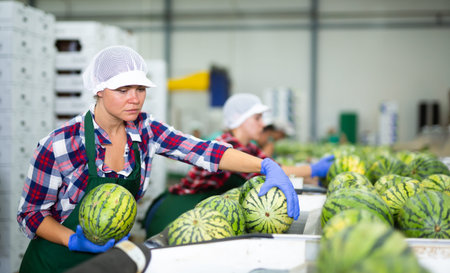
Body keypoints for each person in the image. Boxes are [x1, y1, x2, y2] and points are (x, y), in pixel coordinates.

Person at [16, 46, 302, 273]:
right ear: (99, 90)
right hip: (53, 264)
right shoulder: (60, 144)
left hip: (110, 263)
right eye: (123, 90)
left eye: (140, 89)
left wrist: (264, 165)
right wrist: (73, 240)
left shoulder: (146, 129)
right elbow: (30, 215)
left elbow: (204, 151)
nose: (135, 99)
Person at [144, 93, 334, 237]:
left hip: (207, 209)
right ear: (239, 120)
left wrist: (310, 171)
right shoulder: (228, 144)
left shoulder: (248, 146)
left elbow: (274, 167)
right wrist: (315, 169)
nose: (262, 125)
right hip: (180, 211)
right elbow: (277, 170)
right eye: (257, 118)